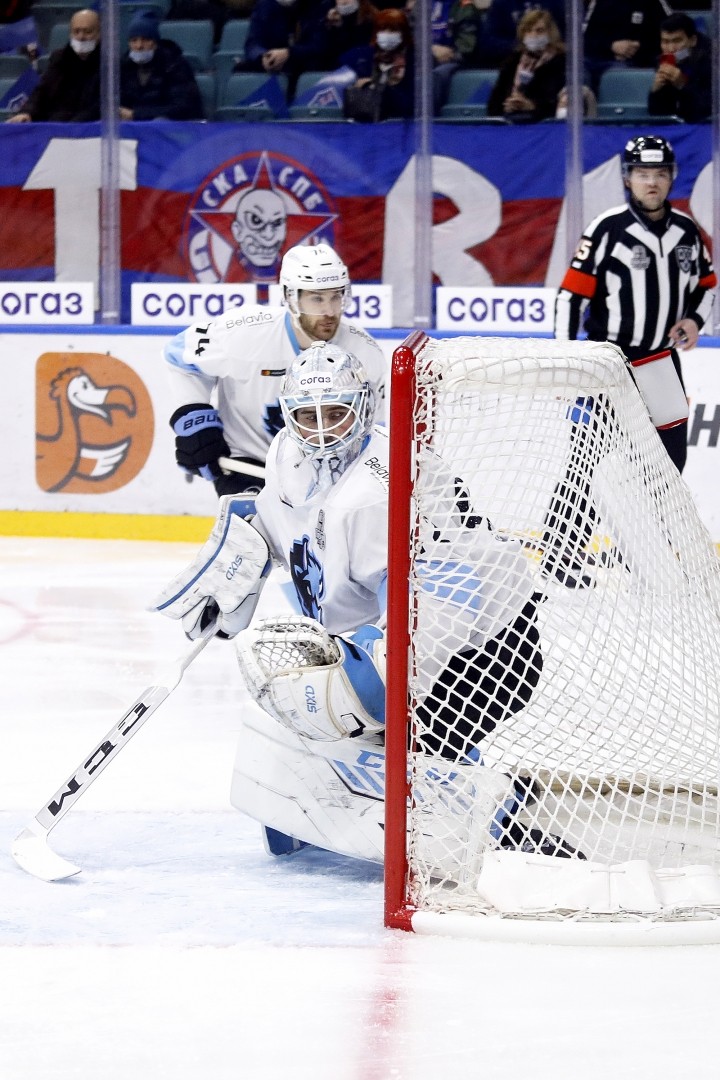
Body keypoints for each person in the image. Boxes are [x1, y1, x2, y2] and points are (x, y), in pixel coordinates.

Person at [149, 343, 556, 864]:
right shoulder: (286, 452)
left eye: (336, 414)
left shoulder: (372, 494)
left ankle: (501, 823)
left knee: (390, 729)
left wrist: (372, 681)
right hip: (416, 620)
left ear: (363, 408)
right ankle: (441, 773)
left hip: (490, 643)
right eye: (306, 415)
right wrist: (238, 566)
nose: (320, 431)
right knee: (354, 709)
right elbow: (280, 525)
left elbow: (431, 611)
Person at [163, 243, 388, 497]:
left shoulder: (365, 353)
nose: (329, 311)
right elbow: (179, 355)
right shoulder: (244, 333)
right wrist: (195, 419)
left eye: (336, 297)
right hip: (247, 465)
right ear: (291, 297)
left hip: (326, 473)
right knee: (252, 536)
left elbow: (374, 429)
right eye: (316, 298)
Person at [555, 135, 714, 473]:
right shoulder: (606, 229)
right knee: (583, 465)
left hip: (662, 362)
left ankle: (659, 529)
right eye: (642, 173)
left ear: (672, 177)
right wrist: (568, 364)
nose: (651, 182)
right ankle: (564, 530)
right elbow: (569, 298)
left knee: (670, 467)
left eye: (659, 173)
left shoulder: (688, 231)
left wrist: (694, 320)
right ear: (627, 178)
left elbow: (707, 287)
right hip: (608, 363)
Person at [647, 11, 720, 121]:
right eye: (665, 42)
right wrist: (656, 91)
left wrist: (683, 85)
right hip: (687, 129)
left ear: (692, 40)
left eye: (677, 41)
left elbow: (711, 110)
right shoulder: (664, 61)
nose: (671, 49)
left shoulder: (714, 61)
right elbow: (660, 116)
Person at [6, 8, 99, 123]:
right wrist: (27, 113)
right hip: (56, 124)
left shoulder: (108, 63)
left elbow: (99, 105)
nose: (81, 37)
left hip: (89, 127)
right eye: (76, 31)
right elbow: (42, 92)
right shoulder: (60, 59)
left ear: (99, 34)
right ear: (70, 34)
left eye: (87, 31)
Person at [119, 10, 206, 121]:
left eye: (146, 40)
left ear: (156, 42)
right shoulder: (125, 66)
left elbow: (181, 107)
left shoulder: (174, 65)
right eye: (134, 40)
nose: (139, 46)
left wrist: (136, 115)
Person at [487, 6, 566, 121]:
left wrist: (531, 106)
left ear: (550, 33)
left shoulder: (560, 62)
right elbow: (493, 105)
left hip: (542, 125)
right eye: (528, 30)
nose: (533, 35)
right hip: (510, 120)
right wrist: (507, 106)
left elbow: (557, 103)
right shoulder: (512, 62)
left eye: (539, 31)